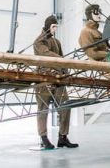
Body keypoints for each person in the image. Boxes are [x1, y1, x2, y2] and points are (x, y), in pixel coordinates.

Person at [33, 15, 79, 149]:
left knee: (65, 106)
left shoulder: (57, 42)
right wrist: (60, 60)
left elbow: (62, 59)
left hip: (58, 79)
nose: (55, 29)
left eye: (56, 27)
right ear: (47, 26)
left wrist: (66, 72)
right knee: (43, 109)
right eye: (53, 27)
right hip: (43, 79)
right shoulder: (38, 42)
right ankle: (44, 138)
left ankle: (63, 137)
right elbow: (47, 55)